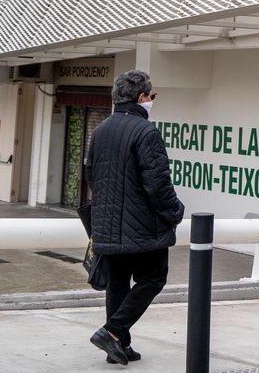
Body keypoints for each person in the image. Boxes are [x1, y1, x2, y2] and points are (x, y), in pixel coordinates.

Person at [86, 70, 186, 366]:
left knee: (117, 283)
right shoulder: (146, 132)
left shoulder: (100, 130)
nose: (152, 100)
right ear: (142, 97)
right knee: (153, 278)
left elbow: (92, 176)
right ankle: (112, 332)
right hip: (142, 227)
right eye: (152, 96)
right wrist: (175, 212)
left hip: (106, 224)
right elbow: (158, 184)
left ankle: (119, 346)